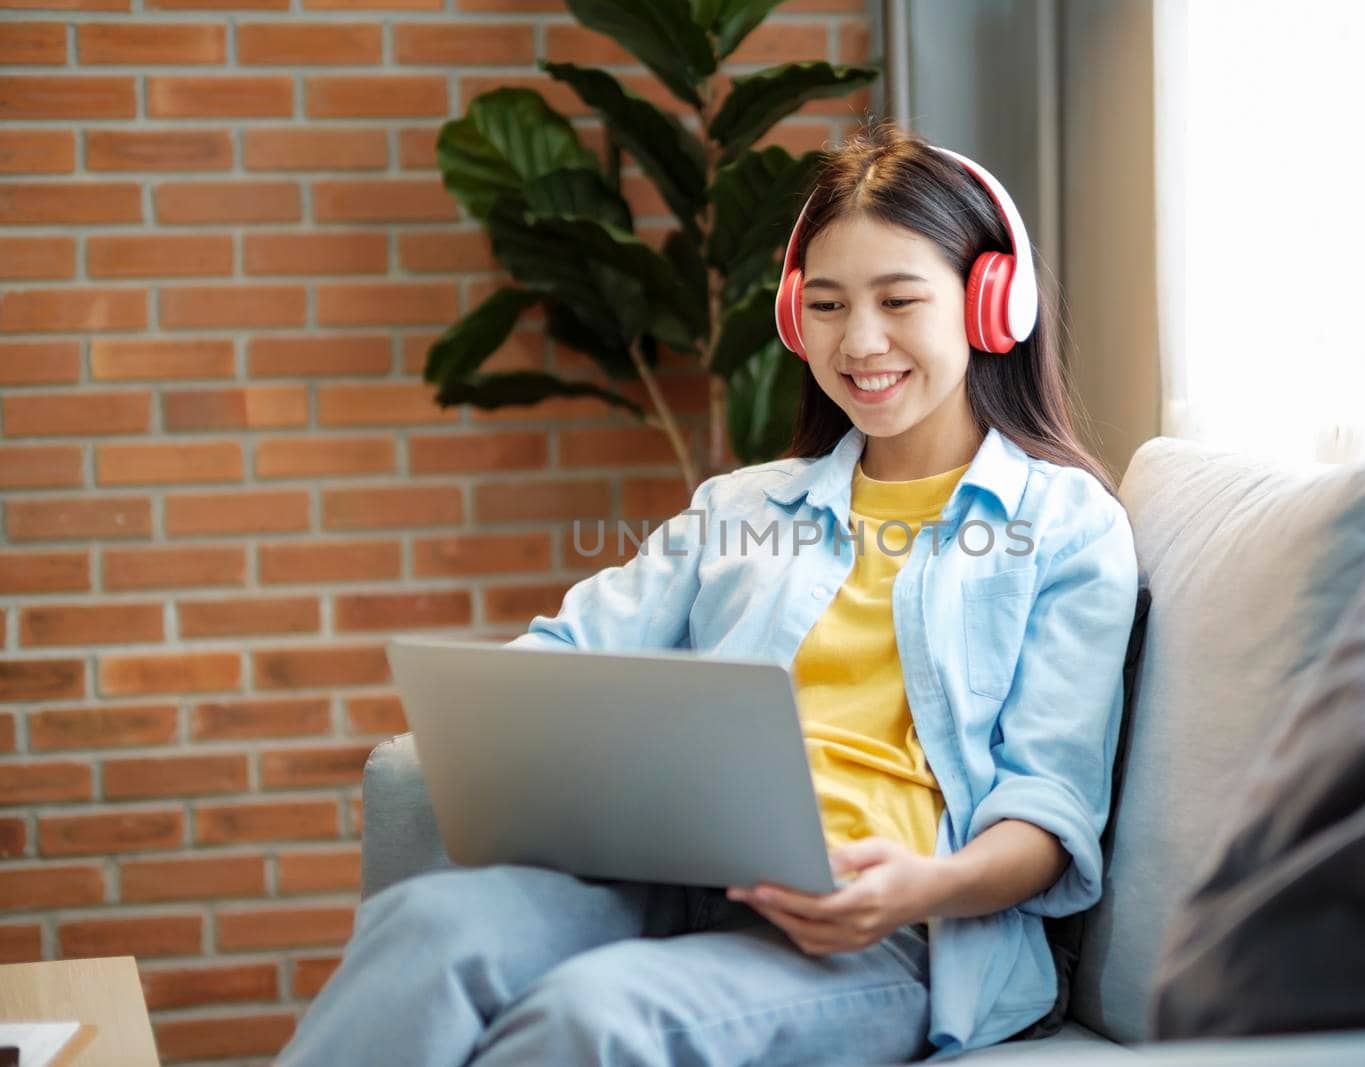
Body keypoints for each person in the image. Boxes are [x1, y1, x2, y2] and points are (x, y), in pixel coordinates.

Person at [276, 121, 1138, 1067]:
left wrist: (922, 885)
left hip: (886, 934)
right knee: (427, 929)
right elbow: (565, 654)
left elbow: (1049, 813)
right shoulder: (741, 507)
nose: (860, 340)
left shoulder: (1064, 524)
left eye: (899, 299)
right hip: (665, 878)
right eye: (827, 304)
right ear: (791, 315)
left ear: (989, 306)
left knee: (595, 1014)